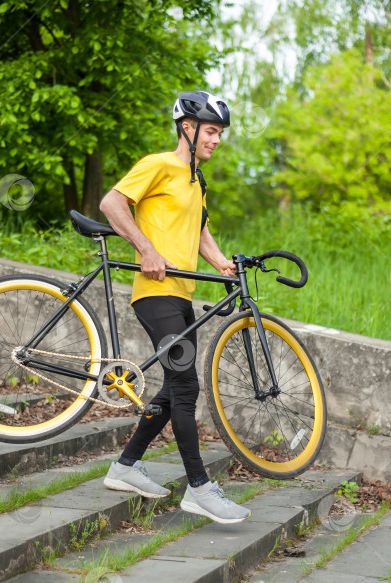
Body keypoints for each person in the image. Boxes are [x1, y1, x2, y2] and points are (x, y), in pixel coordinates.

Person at [99, 91, 251, 524]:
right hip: (155, 292)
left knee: (172, 388)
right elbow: (112, 203)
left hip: (182, 295)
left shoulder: (197, 180)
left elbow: (200, 232)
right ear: (187, 127)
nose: (216, 140)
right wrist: (146, 248)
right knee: (186, 388)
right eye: (211, 131)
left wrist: (221, 262)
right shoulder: (159, 164)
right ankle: (199, 488)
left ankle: (124, 466)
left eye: (220, 133)